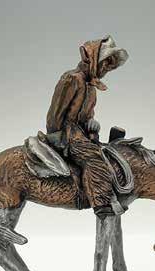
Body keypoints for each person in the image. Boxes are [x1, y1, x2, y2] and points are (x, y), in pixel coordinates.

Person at [45, 36, 128, 217]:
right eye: (105, 64)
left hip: (82, 133)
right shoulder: (72, 79)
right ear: (94, 60)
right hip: (67, 134)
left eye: (110, 66)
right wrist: (58, 137)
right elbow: (55, 115)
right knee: (93, 157)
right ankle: (101, 203)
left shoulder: (91, 87)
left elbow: (87, 114)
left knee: (110, 152)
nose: (107, 69)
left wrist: (91, 122)